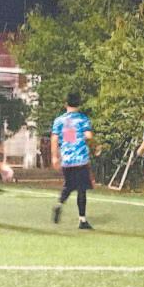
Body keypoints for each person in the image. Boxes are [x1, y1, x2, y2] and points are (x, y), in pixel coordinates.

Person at [51, 92, 94, 230]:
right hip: (81, 159)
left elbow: (54, 139)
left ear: (66, 104)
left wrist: (55, 157)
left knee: (68, 186)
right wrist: (94, 145)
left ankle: (59, 204)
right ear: (79, 104)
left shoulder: (60, 120)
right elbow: (88, 136)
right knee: (82, 189)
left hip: (67, 159)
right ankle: (82, 220)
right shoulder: (83, 119)